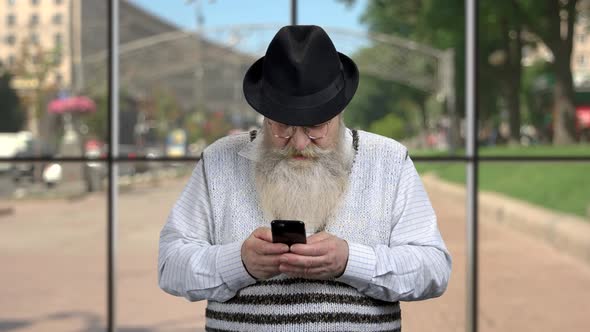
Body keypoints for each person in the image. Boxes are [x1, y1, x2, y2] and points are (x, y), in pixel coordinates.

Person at [158, 25, 452, 332]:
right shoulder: (219, 160)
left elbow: (433, 270)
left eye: (315, 125)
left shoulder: (389, 160)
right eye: (282, 125)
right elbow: (170, 266)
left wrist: (351, 261)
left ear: (339, 111)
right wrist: (239, 262)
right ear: (265, 114)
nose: (299, 143)